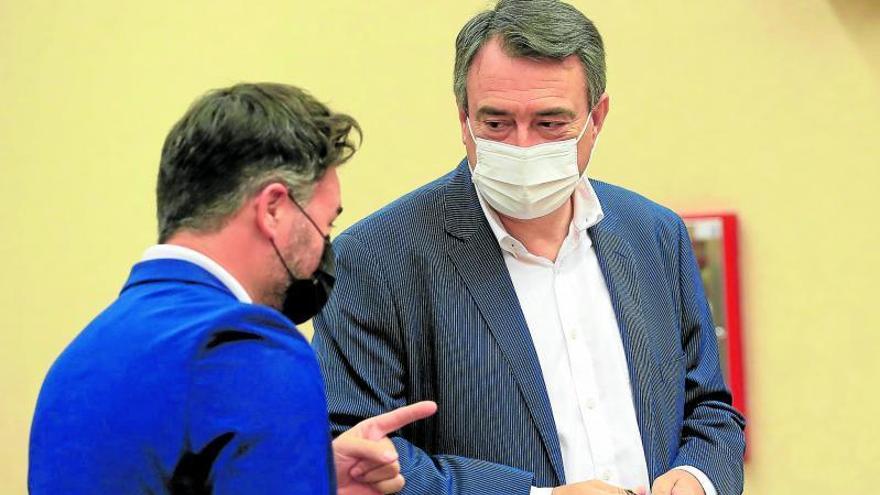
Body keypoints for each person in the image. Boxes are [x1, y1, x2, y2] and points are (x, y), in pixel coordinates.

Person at [312, 1, 745, 495]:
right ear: (463, 116)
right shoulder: (374, 259)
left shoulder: (655, 234)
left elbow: (710, 408)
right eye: (495, 124)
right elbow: (353, 450)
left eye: (550, 124)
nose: (521, 147)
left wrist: (698, 477)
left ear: (597, 117)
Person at [29, 82, 436, 494]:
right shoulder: (249, 348)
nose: (323, 247)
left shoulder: (77, 361)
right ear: (273, 209)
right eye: (325, 224)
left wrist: (312, 473)